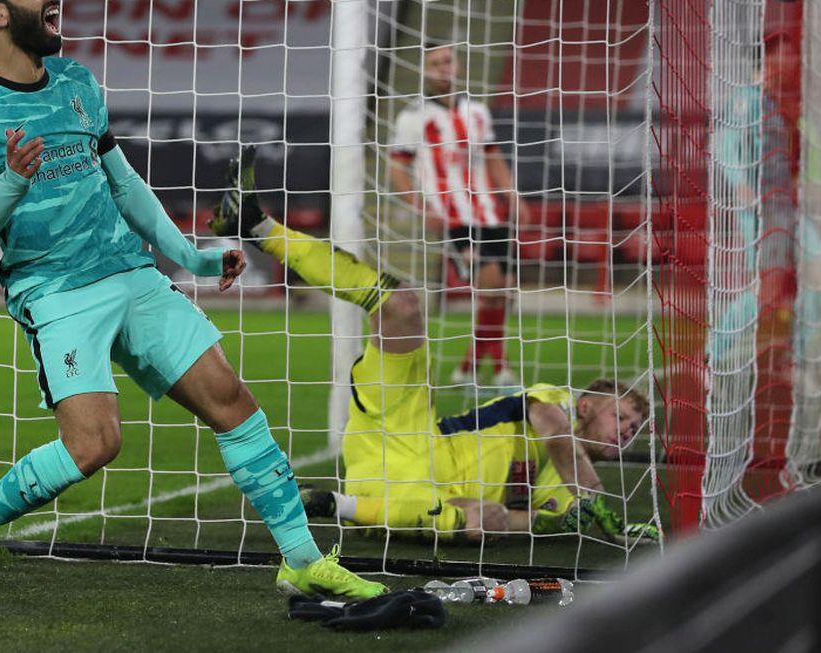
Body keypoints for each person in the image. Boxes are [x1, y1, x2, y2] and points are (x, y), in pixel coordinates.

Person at [0, 0, 386, 601]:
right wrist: (10, 183)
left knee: (234, 402)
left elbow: (124, 185)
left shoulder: (76, 83)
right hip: (56, 291)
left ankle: (300, 557)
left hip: (131, 275)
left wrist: (190, 255)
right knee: (94, 445)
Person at [209, 146, 657, 543]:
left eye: (633, 428)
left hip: (413, 500)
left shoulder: (566, 484)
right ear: (584, 407)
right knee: (401, 305)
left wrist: (532, 519)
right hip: (407, 433)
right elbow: (550, 425)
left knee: (478, 520)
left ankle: (336, 505)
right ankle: (258, 225)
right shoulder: (557, 406)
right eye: (620, 416)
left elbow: (549, 520)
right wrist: (591, 493)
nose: (626, 431)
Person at [388, 44, 530, 385]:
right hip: (452, 218)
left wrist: (512, 194)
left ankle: (468, 369)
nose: (442, 68)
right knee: (491, 284)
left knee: (504, 291)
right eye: (434, 63)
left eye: (447, 60)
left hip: (490, 214)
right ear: (425, 70)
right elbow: (397, 167)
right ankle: (500, 369)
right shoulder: (413, 117)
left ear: (458, 65)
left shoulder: (478, 112)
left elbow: (492, 157)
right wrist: (419, 206)